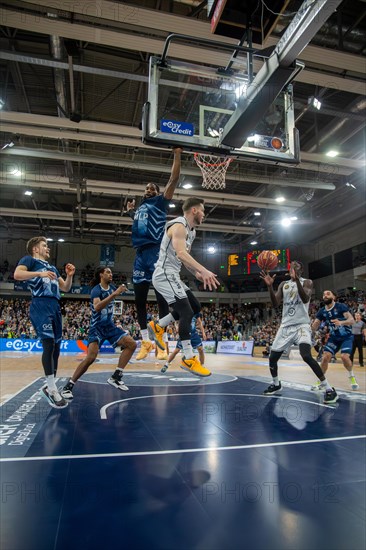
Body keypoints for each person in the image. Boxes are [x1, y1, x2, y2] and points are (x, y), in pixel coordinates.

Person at [148, 197, 219, 377]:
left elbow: (183, 257)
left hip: (173, 275)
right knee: (186, 312)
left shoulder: (191, 231)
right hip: (164, 275)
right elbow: (180, 252)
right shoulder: (179, 226)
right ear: (194, 210)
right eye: (202, 211)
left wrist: (196, 273)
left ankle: (158, 325)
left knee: (195, 307)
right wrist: (204, 270)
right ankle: (188, 357)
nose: (204, 215)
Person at [126, 147, 182, 361]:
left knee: (161, 301)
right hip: (140, 255)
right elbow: (139, 222)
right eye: (146, 188)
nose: (148, 190)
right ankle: (145, 342)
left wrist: (176, 155)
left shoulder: (160, 203)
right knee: (139, 301)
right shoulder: (141, 208)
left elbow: (173, 179)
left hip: (156, 255)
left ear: (158, 193)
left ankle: (162, 344)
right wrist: (131, 211)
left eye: (152, 188)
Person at [260, 261, 338, 404]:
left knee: (306, 355)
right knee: (272, 358)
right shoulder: (284, 284)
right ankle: (276, 383)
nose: (293, 268)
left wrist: (297, 281)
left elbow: (305, 298)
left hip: (302, 325)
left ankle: (328, 389)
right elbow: (275, 303)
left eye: (296, 266)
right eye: (291, 266)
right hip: (285, 326)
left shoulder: (307, 282)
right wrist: (270, 286)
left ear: (300, 269)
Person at [14, 236, 75, 409]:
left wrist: (69, 276)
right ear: (35, 249)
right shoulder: (30, 260)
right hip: (40, 304)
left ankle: (51, 386)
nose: (47, 248)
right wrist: (39, 273)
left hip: (55, 306)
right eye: (44, 245)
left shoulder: (53, 268)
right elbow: (17, 274)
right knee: (48, 344)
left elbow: (65, 288)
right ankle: (52, 388)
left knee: (56, 347)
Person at [60, 267, 137, 400]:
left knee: (132, 344)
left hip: (110, 326)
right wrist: (115, 294)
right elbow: (97, 307)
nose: (111, 274)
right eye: (108, 272)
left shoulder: (112, 287)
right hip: (97, 328)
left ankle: (116, 376)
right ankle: (69, 386)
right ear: (101, 274)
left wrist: (119, 291)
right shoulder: (97, 289)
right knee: (91, 358)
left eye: (111, 272)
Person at [311, 290, 357, 390]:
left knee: (344, 357)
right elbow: (315, 325)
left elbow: (352, 320)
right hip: (333, 338)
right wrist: (311, 326)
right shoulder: (322, 311)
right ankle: (321, 381)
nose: (325, 295)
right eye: (323, 294)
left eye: (328, 294)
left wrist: (341, 322)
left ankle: (351, 376)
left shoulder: (341, 306)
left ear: (334, 297)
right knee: (325, 358)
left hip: (346, 337)